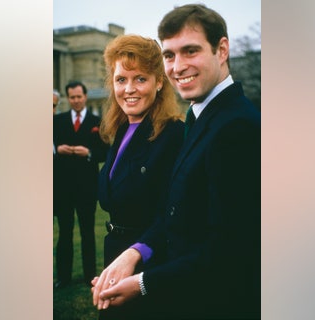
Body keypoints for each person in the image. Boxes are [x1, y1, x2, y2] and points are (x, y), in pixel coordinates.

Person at [91, 4, 261, 319]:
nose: (178, 66)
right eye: (169, 55)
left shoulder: (238, 126)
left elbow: (231, 249)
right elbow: (180, 213)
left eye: (190, 51)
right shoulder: (201, 116)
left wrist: (142, 282)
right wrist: (131, 253)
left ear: (222, 49)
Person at [96, 34, 185, 319]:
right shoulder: (120, 129)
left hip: (151, 264)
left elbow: (175, 213)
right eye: (121, 79)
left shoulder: (173, 135)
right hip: (115, 255)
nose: (129, 89)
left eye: (140, 79)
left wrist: (136, 253)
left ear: (159, 82)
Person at [54, 81, 108, 289]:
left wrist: (90, 154)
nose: (76, 101)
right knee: (64, 233)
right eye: (72, 97)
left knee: (87, 232)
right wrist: (58, 149)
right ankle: (63, 278)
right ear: (68, 99)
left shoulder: (97, 121)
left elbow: (106, 152)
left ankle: (89, 276)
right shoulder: (57, 121)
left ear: (85, 97)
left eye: (79, 96)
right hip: (63, 188)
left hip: (87, 188)